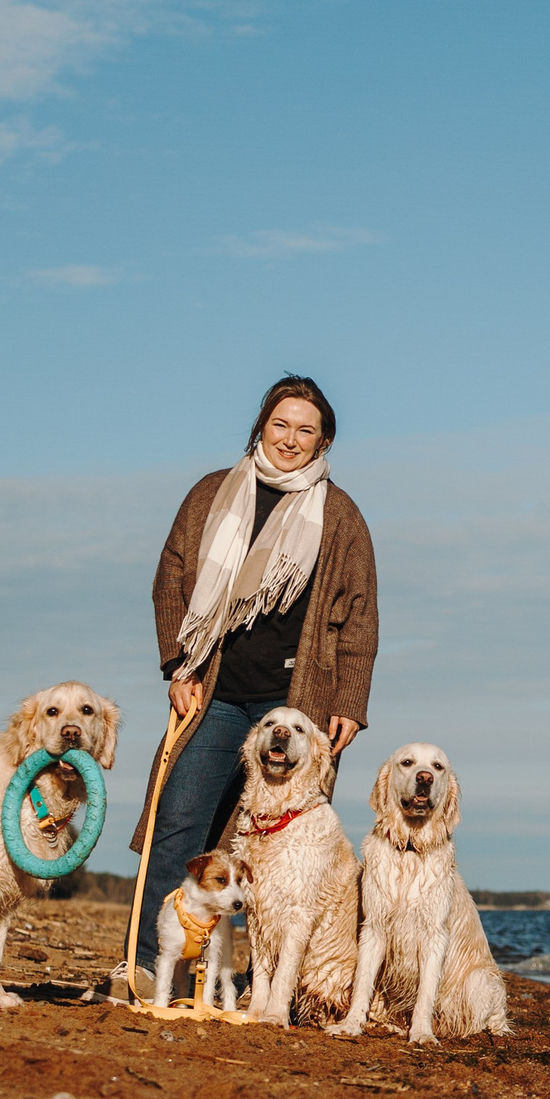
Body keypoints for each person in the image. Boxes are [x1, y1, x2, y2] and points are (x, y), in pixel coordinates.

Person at [126, 375, 379, 979]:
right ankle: (146, 965)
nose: (290, 439)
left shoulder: (339, 515)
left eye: (306, 430)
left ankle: (256, 977)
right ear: (262, 426)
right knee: (179, 822)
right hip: (213, 691)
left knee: (278, 847)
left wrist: (348, 701)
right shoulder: (212, 492)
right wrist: (178, 665)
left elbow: (359, 616)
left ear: (324, 442)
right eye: (281, 425)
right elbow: (172, 577)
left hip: (296, 701)